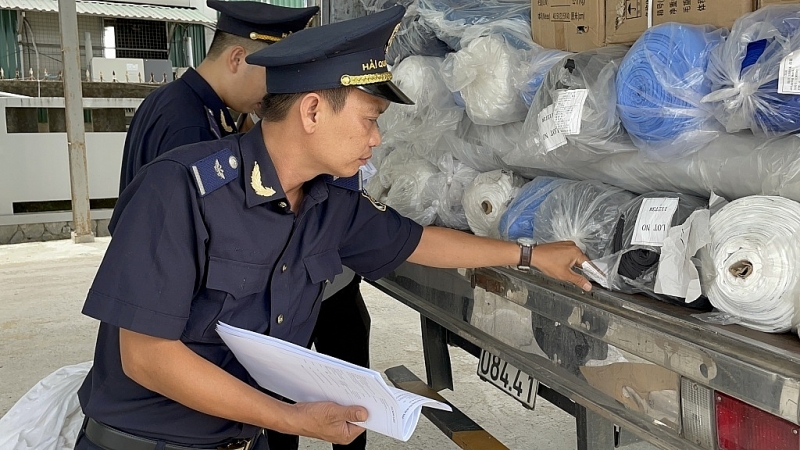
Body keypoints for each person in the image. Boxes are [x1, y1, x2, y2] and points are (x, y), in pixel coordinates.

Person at [75, 6, 592, 450]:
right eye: (370, 119)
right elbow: (146, 356)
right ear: (313, 110)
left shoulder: (329, 202)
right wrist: (290, 420)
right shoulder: (180, 189)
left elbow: (418, 242)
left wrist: (529, 254)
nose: (376, 139)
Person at [118, 0, 319, 192]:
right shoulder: (193, 128)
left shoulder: (168, 98)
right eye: (272, 74)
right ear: (237, 58)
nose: (273, 90)